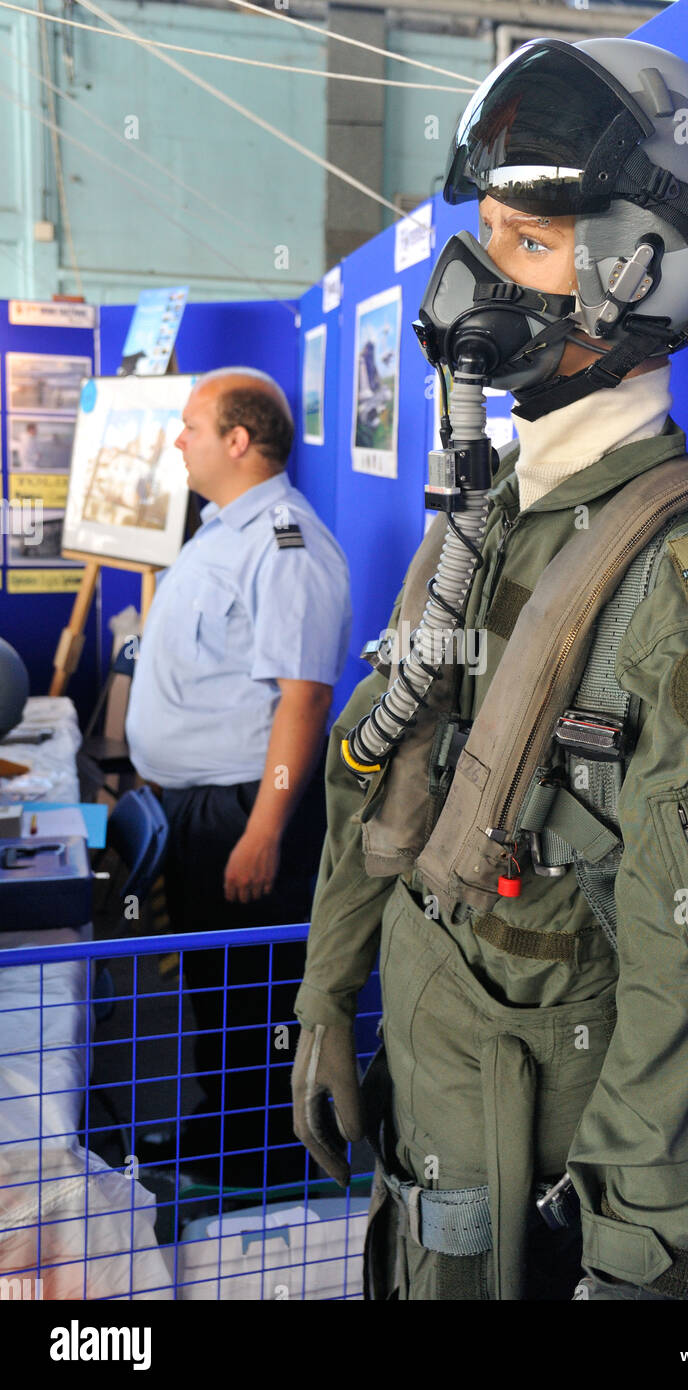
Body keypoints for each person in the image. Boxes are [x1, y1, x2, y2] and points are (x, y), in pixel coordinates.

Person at [292, 37, 688, 1299]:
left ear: (642, 273)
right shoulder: (478, 522)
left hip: (539, 1171)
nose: (471, 281)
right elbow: (379, 766)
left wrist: (633, 1261)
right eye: (484, 235)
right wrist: (327, 990)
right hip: (425, 1089)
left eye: (527, 243)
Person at [125, 367, 352, 1188]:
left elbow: (305, 698)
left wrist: (262, 831)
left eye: (190, 427)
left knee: (256, 1000)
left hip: (247, 812)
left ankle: (264, 1169)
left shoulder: (285, 542)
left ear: (238, 440)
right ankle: (219, 1137)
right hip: (202, 810)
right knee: (218, 994)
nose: (176, 441)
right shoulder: (222, 529)